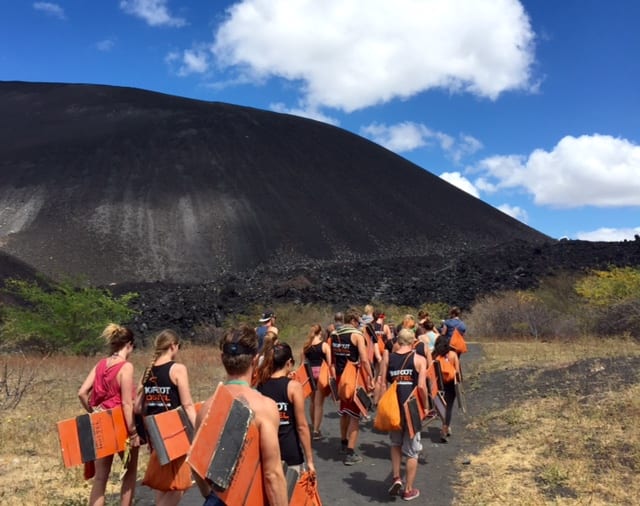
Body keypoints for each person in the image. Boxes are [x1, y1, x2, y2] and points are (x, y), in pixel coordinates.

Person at [194, 326, 288, 506]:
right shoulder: (265, 407)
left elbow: (197, 465)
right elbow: (272, 474)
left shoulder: (207, 408)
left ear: (223, 359)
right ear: (255, 361)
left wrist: (209, 495)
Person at [78, 324, 140, 506]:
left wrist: (93, 411)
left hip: (100, 422)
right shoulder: (126, 367)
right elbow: (127, 403)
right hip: (120, 424)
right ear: (128, 344)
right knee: (129, 473)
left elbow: (82, 392)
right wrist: (133, 432)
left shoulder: (101, 364)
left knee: (100, 479)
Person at [138, 329, 196, 506]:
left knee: (163, 483)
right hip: (174, 432)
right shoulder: (177, 369)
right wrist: (199, 429)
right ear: (173, 346)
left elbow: (137, 407)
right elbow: (187, 404)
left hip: (154, 431)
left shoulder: (149, 371)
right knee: (181, 482)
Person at [256, 342, 316, 476]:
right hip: (290, 453)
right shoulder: (293, 387)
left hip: (267, 454)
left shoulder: (260, 386)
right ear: (289, 362)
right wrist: (310, 460)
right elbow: (302, 426)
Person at [384, 329, 428, 501]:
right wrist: (425, 406)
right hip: (411, 408)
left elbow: (384, 381)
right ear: (413, 342)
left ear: (399, 341)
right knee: (412, 451)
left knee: (395, 443)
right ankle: (408, 489)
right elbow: (422, 387)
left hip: (393, 407)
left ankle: (396, 477)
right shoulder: (419, 359)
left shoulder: (390, 358)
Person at [330, 307, 374, 465]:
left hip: (341, 378)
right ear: (354, 321)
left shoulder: (334, 335)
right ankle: (350, 452)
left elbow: (332, 360)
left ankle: (343, 442)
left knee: (344, 412)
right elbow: (364, 359)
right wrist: (371, 376)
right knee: (355, 415)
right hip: (354, 379)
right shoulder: (357, 335)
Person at [300, 324, 331, 440]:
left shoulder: (306, 345)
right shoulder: (324, 345)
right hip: (321, 373)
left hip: (309, 374)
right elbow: (329, 362)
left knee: (312, 402)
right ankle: (316, 430)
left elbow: (302, 363)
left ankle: (313, 425)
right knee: (319, 403)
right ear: (321, 332)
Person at [432, 336, 460, 442]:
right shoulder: (453, 355)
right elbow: (457, 371)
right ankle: (445, 427)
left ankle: (445, 425)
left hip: (439, 385)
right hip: (451, 384)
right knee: (448, 407)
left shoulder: (434, 355)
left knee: (440, 406)